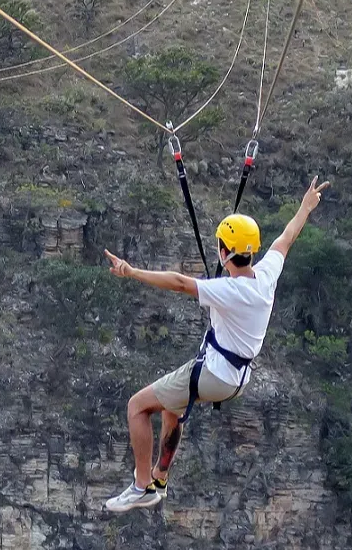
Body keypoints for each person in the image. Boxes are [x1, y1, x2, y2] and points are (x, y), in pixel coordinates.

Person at [100, 177, 331, 512]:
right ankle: (160, 476)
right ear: (251, 251)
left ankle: (140, 486)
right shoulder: (264, 276)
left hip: (215, 374)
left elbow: (179, 283)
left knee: (137, 406)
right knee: (170, 407)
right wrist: (305, 206)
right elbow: (286, 238)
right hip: (236, 378)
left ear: (223, 252)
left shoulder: (229, 290)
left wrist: (131, 271)